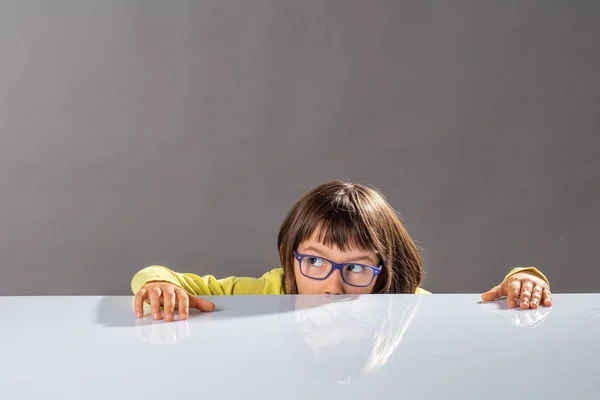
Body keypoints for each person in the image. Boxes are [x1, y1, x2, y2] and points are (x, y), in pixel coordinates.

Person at [131, 181, 552, 322]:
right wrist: (158, 282)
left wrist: (524, 278)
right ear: (290, 255)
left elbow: (477, 313)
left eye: (355, 267)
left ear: (385, 272)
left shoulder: (406, 309)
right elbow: (163, 274)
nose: (332, 286)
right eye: (314, 261)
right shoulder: (266, 292)